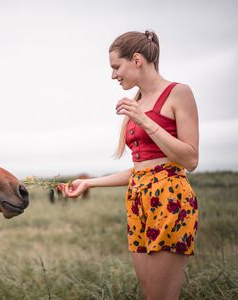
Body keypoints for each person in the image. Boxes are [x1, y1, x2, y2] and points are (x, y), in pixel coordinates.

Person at [60, 30, 199, 300]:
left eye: (116, 67)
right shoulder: (137, 102)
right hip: (138, 200)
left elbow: (191, 159)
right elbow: (142, 169)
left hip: (169, 199)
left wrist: (146, 121)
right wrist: (89, 182)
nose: (113, 75)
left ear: (136, 60)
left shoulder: (178, 93)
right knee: (151, 295)